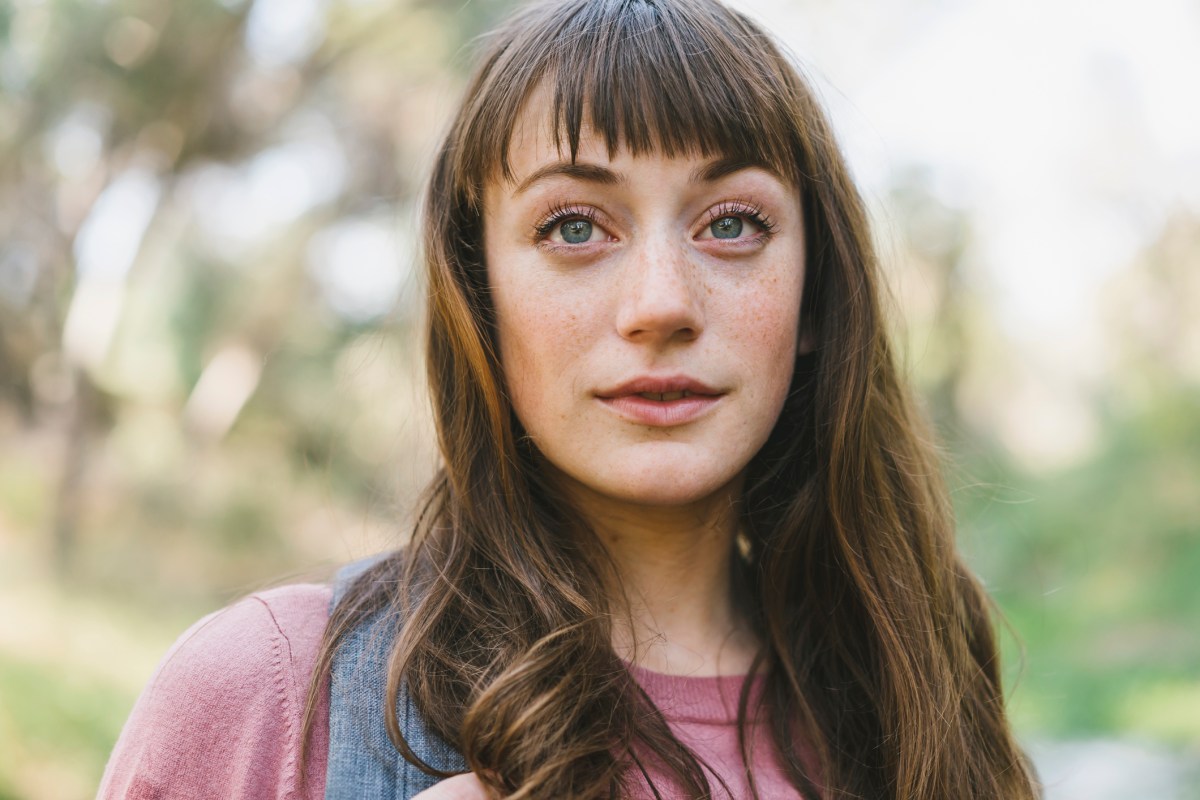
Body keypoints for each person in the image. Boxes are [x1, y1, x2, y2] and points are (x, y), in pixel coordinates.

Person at [99, 0, 1042, 798]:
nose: (662, 304)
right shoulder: (270, 696)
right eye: (575, 227)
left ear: (813, 297)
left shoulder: (922, 704)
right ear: (480, 294)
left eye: (732, 224)